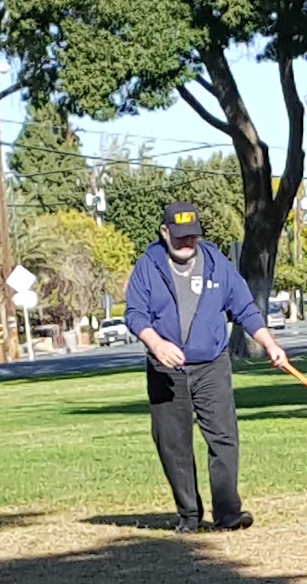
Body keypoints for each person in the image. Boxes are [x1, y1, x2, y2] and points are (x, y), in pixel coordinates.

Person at [124, 200, 290, 532]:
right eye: (180, 236)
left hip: (212, 364)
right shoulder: (147, 266)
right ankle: (188, 514)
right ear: (164, 232)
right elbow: (135, 314)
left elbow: (244, 307)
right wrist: (156, 344)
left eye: (192, 236)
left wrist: (270, 345)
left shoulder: (217, 264)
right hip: (165, 370)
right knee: (172, 442)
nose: (187, 243)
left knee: (224, 437)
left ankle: (228, 513)